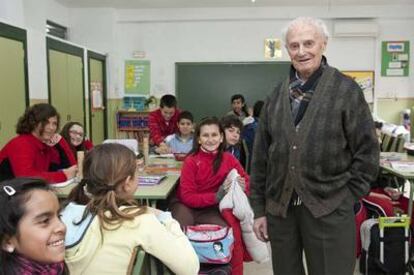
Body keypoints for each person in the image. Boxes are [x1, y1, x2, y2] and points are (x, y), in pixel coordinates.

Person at [249, 17, 379, 275]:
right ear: (287, 50)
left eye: (309, 43)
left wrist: (346, 198)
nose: (301, 51)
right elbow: (261, 158)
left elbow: (368, 153)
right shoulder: (275, 95)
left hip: (329, 209)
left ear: (323, 45)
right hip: (281, 211)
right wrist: (260, 210)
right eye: (294, 45)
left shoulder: (346, 90)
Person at [61, 143, 199, 275]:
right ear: (128, 183)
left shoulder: (64, 215)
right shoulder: (140, 221)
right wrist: (167, 218)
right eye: (136, 172)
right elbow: (190, 268)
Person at [169, 116, 249, 274]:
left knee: (224, 235)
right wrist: (216, 196)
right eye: (205, 135)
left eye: (214, 135)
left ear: (221, 138)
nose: (210, 139)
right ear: (198, 139)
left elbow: (246, 179)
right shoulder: (191, 161)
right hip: (185, 206)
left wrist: (243, 185)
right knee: (180, 235)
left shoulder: (229, 159)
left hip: (210, 208)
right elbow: (187, 196)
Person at [0, 178, 67, 274]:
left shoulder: (55, 266)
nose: (62, 227)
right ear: (8, 242)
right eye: (45, 221)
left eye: (59, 216)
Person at [0, 103, 77, 183]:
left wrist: (61, 141)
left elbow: (72, 168)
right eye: (46, 122)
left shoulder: (45, 145)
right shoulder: (21, 143)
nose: (51, 128)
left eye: (54, 123)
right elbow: (26, 177)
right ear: (33, 123)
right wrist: (63, 175)